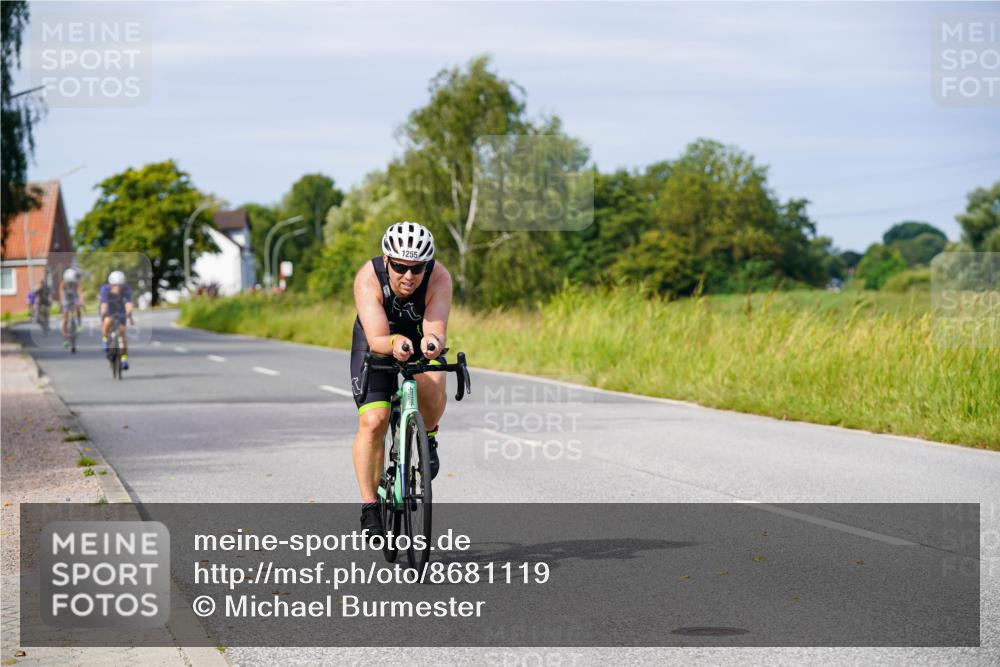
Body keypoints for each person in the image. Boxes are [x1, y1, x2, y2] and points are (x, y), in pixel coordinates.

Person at [350, 222, 452, 538]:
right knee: (374, 421)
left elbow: (435, 329)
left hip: (416, 338)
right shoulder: (369, 277)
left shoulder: (439, 277)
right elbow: (379, 337)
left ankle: (428, 439)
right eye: (400, 267)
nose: (408, 276)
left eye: (416, 268)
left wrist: (432, 343)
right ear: (387, 260)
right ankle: (369, 506)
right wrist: (394, 343)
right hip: (377, 342)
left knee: (434, 383)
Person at [100, 271, 134, 370]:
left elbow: (128, 303)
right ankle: (105, 339)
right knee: (107, 322)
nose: (117, 287)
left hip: (120, 311)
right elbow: (104, 304)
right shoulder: (105, 290)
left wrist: (129, 314)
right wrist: (103, 316)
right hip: (109, 311)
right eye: (115, 285)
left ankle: (124, 358)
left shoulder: (126, 290)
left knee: (122, 332)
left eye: (120, 285)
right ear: (111, 284)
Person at [60, 268, 84, 346]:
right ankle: (65, 339)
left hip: (74, 298)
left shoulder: (76, 283)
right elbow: (61, 294)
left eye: (72, 282)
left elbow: (80, 292)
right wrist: (62, 303)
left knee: (78, 307)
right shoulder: (63, 284)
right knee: (65, 319)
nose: (70, 283)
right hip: (66, 300)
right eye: (69, 282)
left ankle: (79, 323)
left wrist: (80, 301)